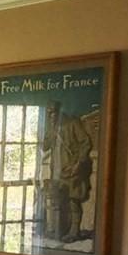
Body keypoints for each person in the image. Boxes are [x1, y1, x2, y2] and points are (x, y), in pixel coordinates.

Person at [41, 101, 93, 243]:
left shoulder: (73, 123)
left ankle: (74, 231)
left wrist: (79, 163)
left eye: (53, 112)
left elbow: (86, 142)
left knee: (73, 200)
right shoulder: (53, 128)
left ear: (59, 111)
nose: (50, 115)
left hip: (72, 169)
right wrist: (49, 132)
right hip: (57, 171)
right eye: (48, 113)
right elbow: (45, 147)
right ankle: (60, 229)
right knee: (59, 200)